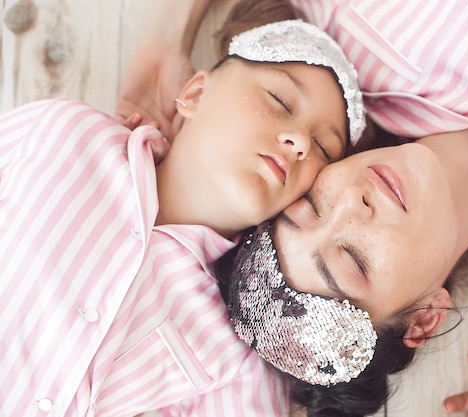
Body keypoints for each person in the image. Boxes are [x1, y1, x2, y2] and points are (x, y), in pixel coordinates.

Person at [117, 1, 468, 416]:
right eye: (355, 260)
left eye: (314, 203)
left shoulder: (357, 32)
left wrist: (164, 37)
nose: (353, 207)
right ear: (425, 318)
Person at [0, 5, 368, 416]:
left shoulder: (236, 351)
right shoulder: (61, 135)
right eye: (280, 100)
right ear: (194, 94)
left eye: (322, 149)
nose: (300, 141)